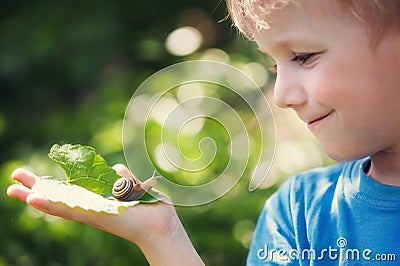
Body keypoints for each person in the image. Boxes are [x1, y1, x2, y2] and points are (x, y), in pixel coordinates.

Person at [7, 0, 400, 265]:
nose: (281, 95)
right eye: (276, 65)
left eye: (303, 56)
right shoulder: (300, 215)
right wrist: (162, 237)